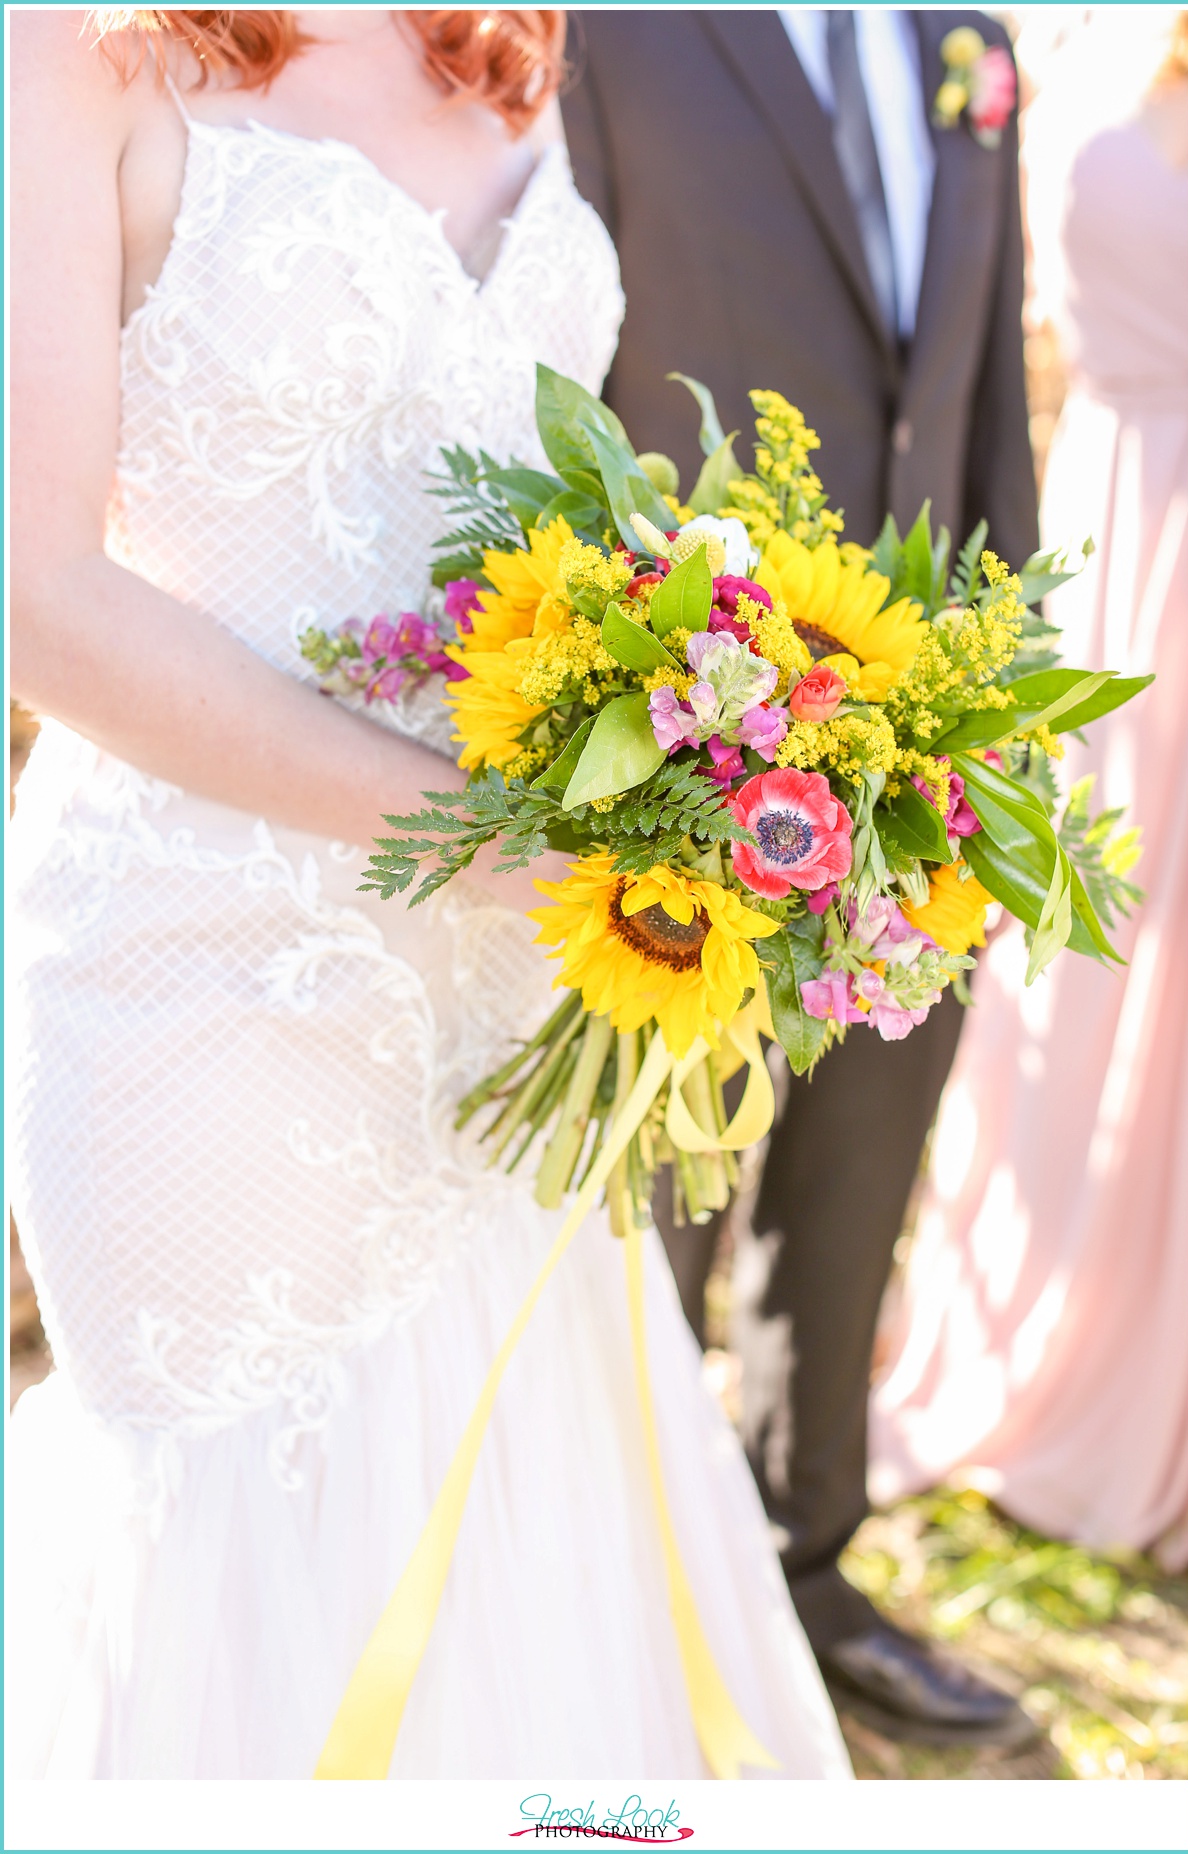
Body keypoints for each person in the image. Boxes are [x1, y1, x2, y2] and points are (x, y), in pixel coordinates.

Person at [8, 7, 852, 1779]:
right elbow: (39, 593)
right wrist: (477, 829)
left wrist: (714, 735)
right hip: (202, 981)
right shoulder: (76, 51)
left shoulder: (507, 42)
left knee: (530, 1495)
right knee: (255, 1542)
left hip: (518, 992)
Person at [563, 7, 1038, 1742]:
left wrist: (999, 706)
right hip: (685, 726)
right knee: (647, 1198)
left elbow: (980, 401)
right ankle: (605, 1596)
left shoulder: (972, 42)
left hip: (921, 741)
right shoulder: (611, 31)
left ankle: (803, 1563)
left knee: (858, 1171)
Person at [870, 10, 1188, 1571]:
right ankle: (1087, 1329)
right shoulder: (1057, 58)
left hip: (1131, 523)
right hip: (1130, 559)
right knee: (1105, 925)